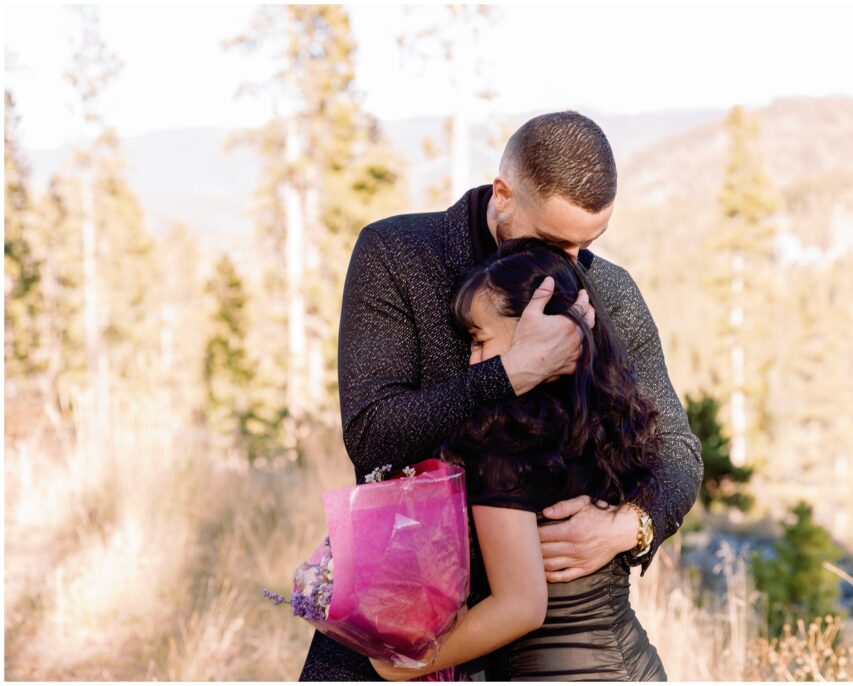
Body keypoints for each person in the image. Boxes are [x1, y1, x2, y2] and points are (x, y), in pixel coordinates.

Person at [299, 111, 703, 681]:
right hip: (408, 622)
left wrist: (630, 526)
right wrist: (507, 373)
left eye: (589, 243)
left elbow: (677, 449)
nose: (571, 263)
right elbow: (371, 437)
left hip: (553, 654)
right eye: (556, 240)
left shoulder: (606, 288)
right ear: (503, 195)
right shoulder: (398, 253)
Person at [369, 236, 668, 681]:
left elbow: (522, 606)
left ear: (540, 330)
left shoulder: (501, 444)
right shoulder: (608, 422)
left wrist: (404, 663)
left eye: (479, 339)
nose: (473, 362)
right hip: (635, 666)